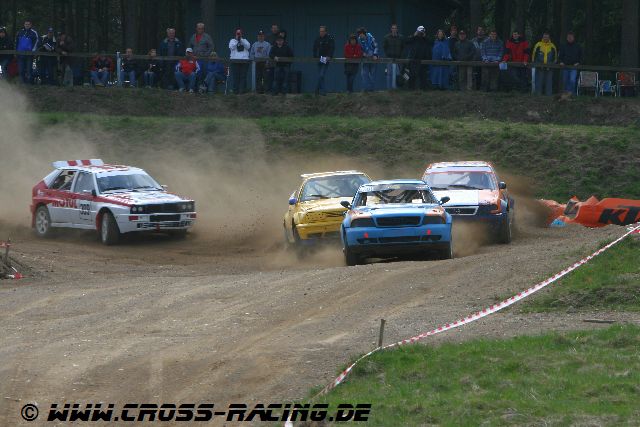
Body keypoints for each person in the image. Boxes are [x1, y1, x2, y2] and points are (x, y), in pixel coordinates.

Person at [405, 26, 430, 90]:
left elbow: (430, 42)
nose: (421, 33)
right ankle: (411, 89)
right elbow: (406, 41)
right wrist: (414, 35)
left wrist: (425, 36)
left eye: (422, 32)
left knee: (423, 76)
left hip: (423, 60)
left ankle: (423, 89)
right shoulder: (413, 38)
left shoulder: (425, 39)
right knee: (412, 75)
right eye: (420, 32)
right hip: (414, 60)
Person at [312, 25, 335, 96]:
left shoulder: (329, 38)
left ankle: (318, 90)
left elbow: (332, 47)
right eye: (320, 31)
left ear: (325, 32)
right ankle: (321, 91)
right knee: (320, 76)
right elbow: (314, 48)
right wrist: (315, 56)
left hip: (325, 58)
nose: (321, 32)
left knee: (321, 75)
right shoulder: (317, 39)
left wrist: (329, 56)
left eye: (322, 31)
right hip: (319, 58)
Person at [229, 28, 250, 94]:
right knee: (236, 77)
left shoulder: (244, 40)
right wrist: (237, 41)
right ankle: (236, 91)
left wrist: (241, 40)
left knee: (243, 76)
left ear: (241, 34)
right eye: (237, 33)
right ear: (235, 34)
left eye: (239, 33)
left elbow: (248, 46)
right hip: (235, 61)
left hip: (244, 61)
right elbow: (231, 47)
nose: (238, 34)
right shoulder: (232, 41)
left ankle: (242, 91)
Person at [383, 24, 405, 89]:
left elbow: (403, 47)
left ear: (397, 29)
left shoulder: (401, 37)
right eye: (393, 28)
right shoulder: (386, 37)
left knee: (398, 74)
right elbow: (384, 47)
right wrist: (387, 54)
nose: (394, 29)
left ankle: (396, 88)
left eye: (395, 28)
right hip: (389, 58)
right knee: (389, 74)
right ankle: (389, 89)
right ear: (391, 29)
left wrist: (400, 55)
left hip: (398, 59)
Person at [357, 27, 379, 92]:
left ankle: (371, 90)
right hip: (365, 59)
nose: (360, 36)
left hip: (373, 58)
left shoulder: (371, 38)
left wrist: (375, 55)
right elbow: (359, 49)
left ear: (364, 34)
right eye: (359, 35)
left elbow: (376, 46)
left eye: (361, 35)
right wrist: (362, 53)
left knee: (373, 74)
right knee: (364, 74)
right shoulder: (359, 40)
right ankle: (366, 89)